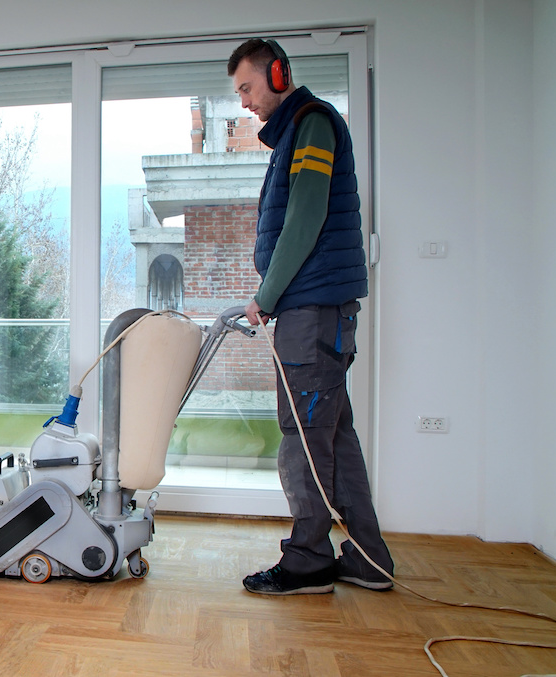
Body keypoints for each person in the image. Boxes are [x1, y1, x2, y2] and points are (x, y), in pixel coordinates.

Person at [227, 39, 394, 595]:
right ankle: (369, 560)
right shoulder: (295, 133)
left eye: (248, 87)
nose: (245, 102)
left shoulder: (312, 123)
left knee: (301, 435)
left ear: (278, 73)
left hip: (312, 310)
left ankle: (308, 561)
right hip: (321, 309)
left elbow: (305, 216)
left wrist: (267, 296)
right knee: (333, 435)